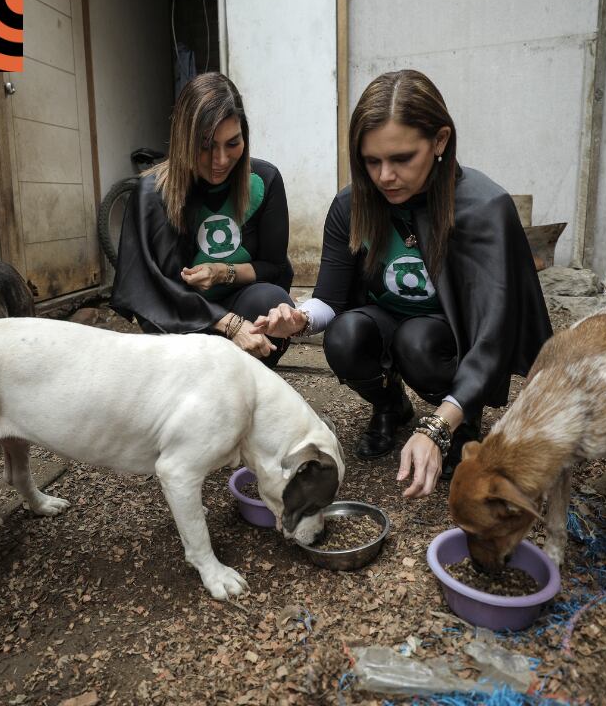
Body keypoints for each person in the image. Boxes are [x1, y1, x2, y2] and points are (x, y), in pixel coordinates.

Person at [256, 69, 551, 497]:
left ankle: (460, 417)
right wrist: (298, 319)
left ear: (440, 142)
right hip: (384, 319)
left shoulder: (484, 208)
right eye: (371, 161)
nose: (384, 176)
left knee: (418, 341)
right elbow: (330, 300)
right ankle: (390, 406)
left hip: (446, 338)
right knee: (345, 335)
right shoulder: (351, 204)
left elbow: (494, 336)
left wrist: (437, 428)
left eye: (401, 158)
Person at [111, 72, 295, 365]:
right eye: (206, 146)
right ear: (184, 139)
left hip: (240, 303)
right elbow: (155, 291)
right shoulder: (153, 193)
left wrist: (224, 272)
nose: (220, 160)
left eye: (232, 143)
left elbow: (273, 267)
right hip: (180, 321)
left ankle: (245, 387)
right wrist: (228, 323)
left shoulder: (265, 179)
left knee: (271, 302)